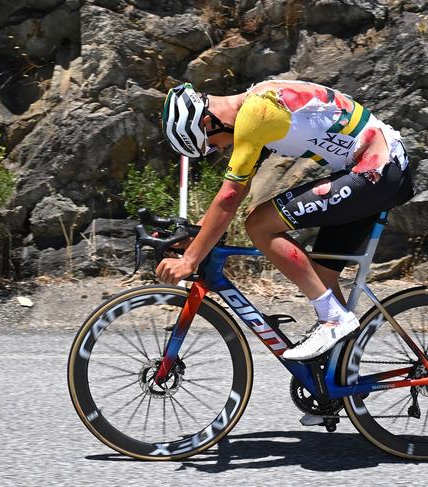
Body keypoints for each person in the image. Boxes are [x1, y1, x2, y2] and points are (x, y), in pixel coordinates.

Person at [157, 80, 414, 363]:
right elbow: (233, 194)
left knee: (259, 224)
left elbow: (230, 196)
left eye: (209, 145)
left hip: (376, 169)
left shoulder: (256, 113)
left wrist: (190, 261)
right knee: (321, 277)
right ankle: (340, 379)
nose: (217, 150)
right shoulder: (257, 106)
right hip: (374, 169)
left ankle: (334, 320)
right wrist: (195, 236)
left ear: (208, 121)